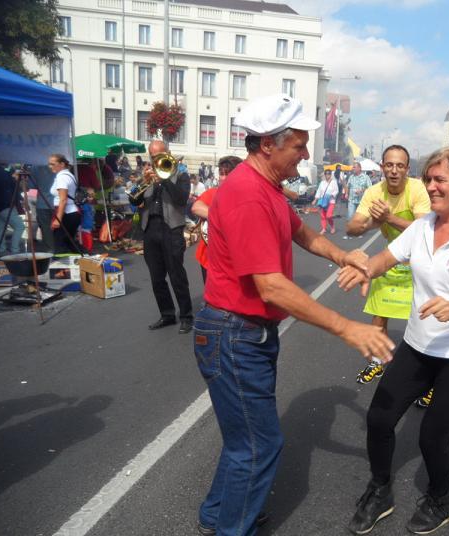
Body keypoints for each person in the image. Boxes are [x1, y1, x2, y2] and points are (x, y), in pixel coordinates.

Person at [193, 93, 394, 536]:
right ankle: (232, 526)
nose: (305, 154)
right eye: (298, 145)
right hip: (234, 333)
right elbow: (272, 287)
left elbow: (301, 233)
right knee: (258, 445)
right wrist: (346, 327)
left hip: (244, 333)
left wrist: (344, 256)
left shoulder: (265, 187)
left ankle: (218, 513)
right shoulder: (247, 194)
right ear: (268, 144)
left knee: (246, 440)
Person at [338, 144, 449, 535]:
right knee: (379, 418)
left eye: (440, 179)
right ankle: (380, 491)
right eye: (428, 179)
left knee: (433, 437)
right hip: (419, 346)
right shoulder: (422, 227)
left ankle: (440, 499)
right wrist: (366, 269)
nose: (431, 187)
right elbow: (387, 258)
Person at [346, 145, 431, 384]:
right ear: (382, 167)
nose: (394, 170)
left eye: (400, 166)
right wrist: (370, 224)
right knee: (379, 314)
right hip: (390, 259)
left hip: (420, 263)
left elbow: (424, 231)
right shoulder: (374, 192)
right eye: (390, 165)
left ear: (407, 169)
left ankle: (427, 375)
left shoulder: (417, 189)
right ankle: (378, 361)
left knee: (426, 320)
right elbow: (351, 228)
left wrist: (388, 218)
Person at [130, 141, 193, 334]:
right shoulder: (148, 176)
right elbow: (134, 200)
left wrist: (164, 178)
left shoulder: (181, 175)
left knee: (176, 275)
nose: (155, 159)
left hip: (171, 229)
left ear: (168, 153)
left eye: (158, 155)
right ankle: (167, 314)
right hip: (151, 229)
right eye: (152, 156)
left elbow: (181, 199)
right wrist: (142, 182)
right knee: (157, 278)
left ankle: (186, 316)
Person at [191, 156, 242, 282]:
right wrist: (224, 217)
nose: (223, 178)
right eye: (221, 174)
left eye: (227, 174)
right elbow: (196, 208)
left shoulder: (244, 197)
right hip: (207, 257)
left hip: (231, 260)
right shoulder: (213, 193)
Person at [0, 164, 25, 257]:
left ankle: (2, 250)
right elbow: (11, 190)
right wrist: (15, 180)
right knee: (20, 226)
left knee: (0, 229)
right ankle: (14, 250)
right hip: (5, 205)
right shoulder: (3, 174)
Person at [48, 154, 81, 254]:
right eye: (49, 164)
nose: (50, 166)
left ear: (62, 164)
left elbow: (63, 200)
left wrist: (58, 219)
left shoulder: (62, 177)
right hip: (71, 212)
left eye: (53, 164)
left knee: (60, 245)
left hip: (66, 213)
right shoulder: (69, 175)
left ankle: (62, 264)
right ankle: (85, 259)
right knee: (69, 243)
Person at [312, 169, 339, 234]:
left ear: (331, 174)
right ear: (324, 175)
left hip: (330, 201)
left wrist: (331, 195)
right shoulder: (322, 183)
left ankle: (332, 227)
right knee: (323, 216)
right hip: (323, 201)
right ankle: (324, 228)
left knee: (329, 216)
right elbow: (319, 191)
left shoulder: (334, 182)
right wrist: (315, 200)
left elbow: (336, 190)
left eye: (329, 173)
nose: (327, 175)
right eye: (326, 174)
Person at [80, 188, 96, 254]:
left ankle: (88, 250)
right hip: (86, 224)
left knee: (87, 238)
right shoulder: (86, 205)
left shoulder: (86, 205)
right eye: (89, 196)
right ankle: (88, 250)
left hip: (86, 224)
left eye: (92, 197)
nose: (91, 198)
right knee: (87, 238)